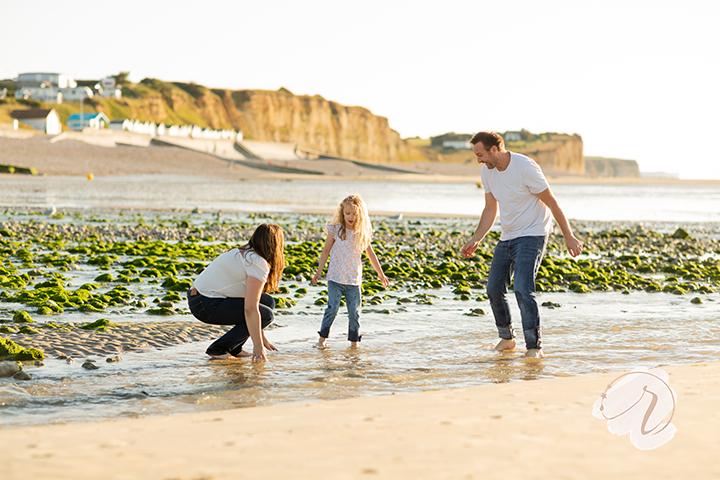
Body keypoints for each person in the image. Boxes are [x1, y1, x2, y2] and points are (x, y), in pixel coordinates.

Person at [460, 132, 583, 359]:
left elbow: (552, 202)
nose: (478, 160)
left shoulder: (525, 167)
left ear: (494, 149)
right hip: (508, 235)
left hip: (533, 233)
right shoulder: (487, 171)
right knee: (494, 289)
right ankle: (507, 339)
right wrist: (476, 238)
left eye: (480, 154)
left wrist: (569, 236)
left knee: (522, 288)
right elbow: (490, 209)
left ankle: (534, 347)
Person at [187, 224, 285, 363]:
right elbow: (250, 308)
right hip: (205, 304)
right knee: (267, 315)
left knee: (267, 302)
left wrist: (262, 339)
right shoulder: (257, 262)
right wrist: (258, 347)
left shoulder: (246, 253)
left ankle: (235, 348)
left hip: (200, 299)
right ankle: (219, 348)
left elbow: (253, 304)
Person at [311, 194, 389, 348]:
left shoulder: (361, 233)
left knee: (354, 313)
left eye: (354, 213)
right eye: (347, 213)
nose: (350, 217)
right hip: (335, 278)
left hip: (353, 280)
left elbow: (371, 254)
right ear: (342, 213)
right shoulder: (336, 230)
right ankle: (322, 340)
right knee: (332, 309)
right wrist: (319, 272)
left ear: (359, 214)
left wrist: (381, 274)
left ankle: (354, 344)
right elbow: (326, 251)